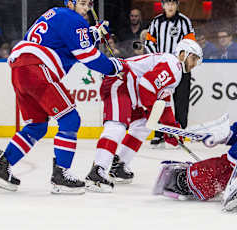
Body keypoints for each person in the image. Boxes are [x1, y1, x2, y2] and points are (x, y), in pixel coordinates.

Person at [0, 0, 126, 195]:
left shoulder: (55, 15)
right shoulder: (73, 18)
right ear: (70, 3)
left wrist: (93, 35)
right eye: (81, 3)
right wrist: (115, 66)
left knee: (37, 126)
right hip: (37, 69)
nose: (86, 8)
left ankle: (2, 166)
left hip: (20, 70)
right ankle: (61, 175)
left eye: (88, 4)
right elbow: (87, 56)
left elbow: (63, 43)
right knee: (70, 120)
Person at [84, 39, 203, 192]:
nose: (194, 64)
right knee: (117, 125)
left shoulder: (176, 71)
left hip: (131, 88)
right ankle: (97, 171)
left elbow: (164, 102)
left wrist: (171, 129)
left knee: (142, 125)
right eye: (193, 59)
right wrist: (152, 110)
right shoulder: (174, 65)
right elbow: (147, 85)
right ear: (182, 54)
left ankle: (118, 164)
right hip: (120, 79)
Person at [145, 0, 196, 147]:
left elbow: (190, 45)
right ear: (163, 5)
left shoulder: (184, 22)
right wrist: (158, 58)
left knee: (181, 102)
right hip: (163, 69)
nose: (170, 6)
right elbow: (149, 42)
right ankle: (159, 133)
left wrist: (182, 62)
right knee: (160, 101)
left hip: (181, 69)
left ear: (177, 4)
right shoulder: (156, 22)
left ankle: (179, 133)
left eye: (173, 3)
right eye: (167, 3)